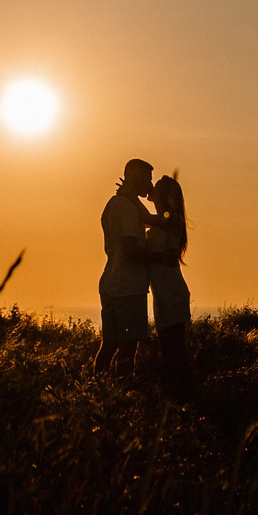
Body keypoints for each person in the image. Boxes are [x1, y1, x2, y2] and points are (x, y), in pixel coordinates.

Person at [95, 157, 154, 374]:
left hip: (111, 282)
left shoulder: (113, 204)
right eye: (148, 178)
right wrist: (159, 256)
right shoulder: (128, 209)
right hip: (128, 287)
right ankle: (123, 395)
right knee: (128, 347)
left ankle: (98, 389)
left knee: (109, 344)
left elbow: (148, 220)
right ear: (136, 179)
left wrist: (136, 199)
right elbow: (131, 251)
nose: (150, 184)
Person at [145, 172, 193, 393]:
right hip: (164, 292)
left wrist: (128, 195)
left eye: (157, 186)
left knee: (173, 353)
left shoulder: (171, 219)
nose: (151, 187)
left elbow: (143, 218)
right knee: (170, 352)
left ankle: (178, 398)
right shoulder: (164, 220)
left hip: (170, 292)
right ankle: (178, 397)